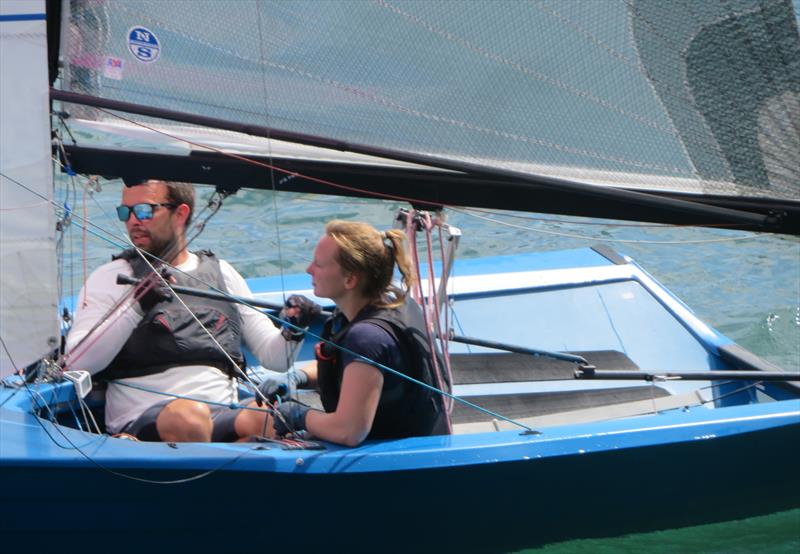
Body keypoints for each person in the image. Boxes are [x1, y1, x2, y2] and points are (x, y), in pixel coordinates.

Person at [65, 179, 319, 442]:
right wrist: (137, 306)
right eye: (124, 212)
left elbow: (275, 359)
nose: (132, 221)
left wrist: (294, 331)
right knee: (190, 418)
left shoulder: (223, 274)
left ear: (181, 213)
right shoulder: (112, 278)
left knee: (274, 418)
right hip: (143, 420)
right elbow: (77, 361)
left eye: (144, 211)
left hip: (219, 415)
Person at [261, 220, 450, 446]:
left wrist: (301, 415)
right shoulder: (392, 302)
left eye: (319, 265)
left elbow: (349, 431)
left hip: (395, 464)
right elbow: (355, 370)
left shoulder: (367, 337)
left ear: (350, 279)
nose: (308, 269)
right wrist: (298, 377)